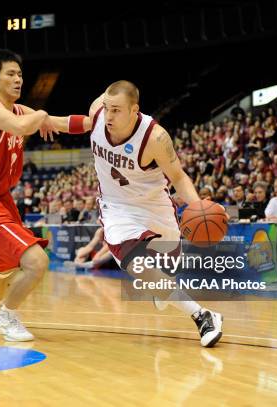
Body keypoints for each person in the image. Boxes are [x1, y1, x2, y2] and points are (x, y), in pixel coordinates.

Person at [53, 80, 224, 347]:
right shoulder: (99, 113)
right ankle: (203, 315)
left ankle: (163, 285)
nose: (109, 116)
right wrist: (46, 121)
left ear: (135, 110)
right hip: (117, 209)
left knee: (163, 275)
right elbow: (81, 122)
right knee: (138, 265)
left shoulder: (155, 137)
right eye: (107, 108)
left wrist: (198, 206)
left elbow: (178, 177)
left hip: (155, 207)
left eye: (117, 110)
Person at [0, 49, 60, 342]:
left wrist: (102, 123)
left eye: (20, 74)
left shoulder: (19, 110)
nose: (18, 79)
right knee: (37, 262)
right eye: (11, 74)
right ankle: (6, 316)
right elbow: (24, 125)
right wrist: (41, 114)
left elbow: (57, 123)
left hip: (1, 199)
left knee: (3, 266)